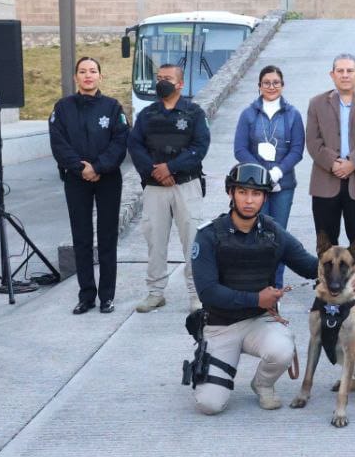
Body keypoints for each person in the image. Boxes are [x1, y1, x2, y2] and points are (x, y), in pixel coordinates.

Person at [189, 163, 325, 414]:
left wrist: (348, 271)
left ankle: (262, 384)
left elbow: (309, 266)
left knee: (283, 349)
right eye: (242, 192)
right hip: (221, 326)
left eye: (256, 194)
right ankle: (208, 355)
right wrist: (255, 298)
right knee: (209, 405)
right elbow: (207, 292)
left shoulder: (273, 232)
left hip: (259, 321)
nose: (249, 200)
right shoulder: (209, 235)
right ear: (231, 193)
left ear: (264, 197)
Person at [127, 63, 210, 313]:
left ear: (180, 84)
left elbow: (200, 146)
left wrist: (171, 168)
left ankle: (196, 295)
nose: (162, 82)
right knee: (155, 240)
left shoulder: (194, 113)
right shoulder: (147, 114)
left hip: (186, 185)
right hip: (155, 187)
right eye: (159, 77)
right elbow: (135, 145)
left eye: (168, 78)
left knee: (193, 241)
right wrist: (157, 171)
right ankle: (155, 293)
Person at [49, 56, 129, 315]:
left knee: (107, 238)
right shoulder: (62, 108)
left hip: (108, 180)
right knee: (81, 238)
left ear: (100, 77)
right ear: (75, 78)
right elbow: (58, 143)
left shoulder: (113, 107)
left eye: (93, 71)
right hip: (76, 179)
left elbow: (120, 142)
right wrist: (80, 167)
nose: (88, 75)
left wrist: (98, 167)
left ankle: (107, 296)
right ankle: (86, 296)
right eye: (82, 71)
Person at [306, 53, 355, 296]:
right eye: (339, 71)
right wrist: (334, 163)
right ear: (332, 74)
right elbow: (312, 141)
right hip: (325, 182)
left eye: (350, 70)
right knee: (325, 241)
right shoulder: (317, 103)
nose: (345, 75)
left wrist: (352, 163)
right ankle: (326, 287)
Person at [233, 64, 305, 285]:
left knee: (278, 236)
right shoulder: (248, 114)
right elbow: (240, 149)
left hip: (283, 185)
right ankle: (256, 285)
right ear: (259, 86)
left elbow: (297, 149)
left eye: (276, 83)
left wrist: (277, 171)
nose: (271, 86)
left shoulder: (292, 115)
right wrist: (262, 173)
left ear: (282, 86)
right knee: (255, 234)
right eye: (266, 83)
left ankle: (276, 287)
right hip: (254, 186)